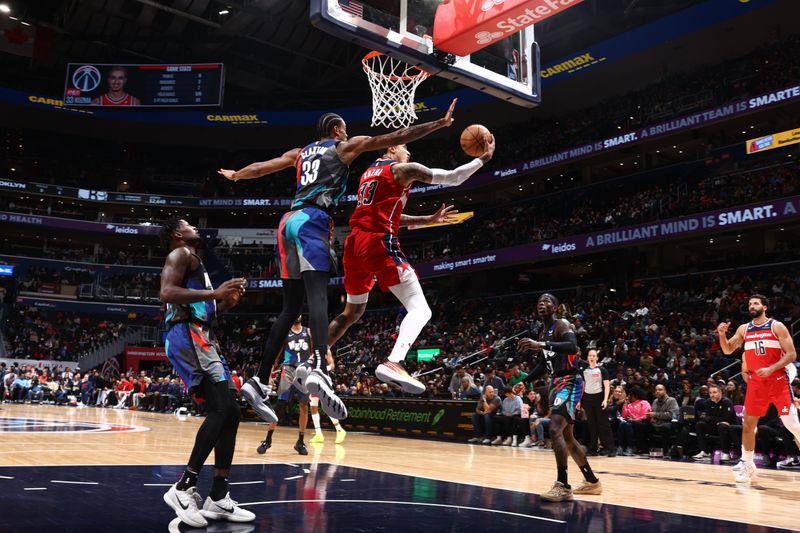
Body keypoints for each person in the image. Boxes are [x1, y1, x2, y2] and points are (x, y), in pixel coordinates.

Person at [219, 100, 458, 421]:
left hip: (286, 222)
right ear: (336, 131)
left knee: (289, 308)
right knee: (317, 298)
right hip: (312, 220)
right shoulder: (345, 147)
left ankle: (259, 380)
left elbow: (262, 167)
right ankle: (318, 368)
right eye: (344, 129)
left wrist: (236, 175)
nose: (347, 133)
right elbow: (398, 135)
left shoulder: (299, 153)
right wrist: (438, 125)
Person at [324, 136, 494, 393]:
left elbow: (389, 214)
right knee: (421, 309)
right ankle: (394, 362)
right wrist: (483, 159)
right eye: (405, 148)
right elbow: (454, 177)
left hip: (354, 244)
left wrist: (429, 219)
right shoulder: (401, 169)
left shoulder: (369, 173)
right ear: (392, 148)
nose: (409, 153)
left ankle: (313, 359)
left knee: (352, 313)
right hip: (378, 243)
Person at [158, 218, 254, 527]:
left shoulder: (196, 262)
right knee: (221, 408)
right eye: (187, 225)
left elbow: (203, 308)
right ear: (177, 233)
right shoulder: (180, 255)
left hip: (202, 335)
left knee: (232, 413)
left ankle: (217, 496)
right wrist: (214, 295)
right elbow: (167, 293)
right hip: (188, 335)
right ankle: (183, 487)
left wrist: (225, 303)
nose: (194, 228)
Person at [518, 293, 601, 502]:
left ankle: (563, 485)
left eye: (546, 302)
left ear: (555, 307)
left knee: (554, 429)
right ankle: (592, 482)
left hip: (570, 381)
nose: (542, 304)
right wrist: (526, 380)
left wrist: (541, 345)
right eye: (539, 302)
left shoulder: (561, 324)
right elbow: (543, 364)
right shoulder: (542, 332)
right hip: (555, 382)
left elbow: (572, 347)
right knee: (568, 438)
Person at [718, 294, 800, 483]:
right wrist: (722, 335)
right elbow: (728, 350)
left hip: (777, 378)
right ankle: (748, 466)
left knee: (792, 425)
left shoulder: (776, 326)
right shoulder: (744, 329)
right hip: (756, 381)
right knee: (748, 425)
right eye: (749, 304)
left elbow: (792, 354)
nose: (752, 306)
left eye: (756, 303)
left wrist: (771, 368)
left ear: (765, 307)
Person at [257, 316, 313, 456]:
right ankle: (268, 439)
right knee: (280, 405)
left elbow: (314, 353)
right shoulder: (285, 333)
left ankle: (300, 442)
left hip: (304, 371)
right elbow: (275, 357)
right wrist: (269, 375)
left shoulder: (309, 332)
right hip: (288, 370)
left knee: (303, 405)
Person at [581, 349, 615, 457]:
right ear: (588, 357)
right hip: (587, 398)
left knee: (603, 424)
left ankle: (610, 449)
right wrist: (579, 400)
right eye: (590, 355)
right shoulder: (584, 371)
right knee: (591, 424)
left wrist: (605, 400)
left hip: (599, 397)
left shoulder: (602, 370)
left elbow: (606, 386)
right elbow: (582, 386)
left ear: (597, 358)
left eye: (593, 355)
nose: (591, 357)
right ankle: (593, 449)